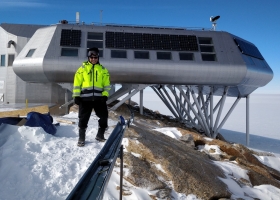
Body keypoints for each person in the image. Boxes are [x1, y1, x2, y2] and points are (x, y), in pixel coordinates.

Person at [72, 47, 111, 146]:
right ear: (88, 57)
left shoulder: (103, 70)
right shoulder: (82, 69)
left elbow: (107, 85)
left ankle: (100, 135)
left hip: (99, 99)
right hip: (85, 99)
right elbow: (77, 83)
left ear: (98, 57)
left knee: (104, 116)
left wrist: (105, 95)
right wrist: (76, 96)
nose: (93, 59)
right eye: (91, 57)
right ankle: (81, 138)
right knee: (83, 118)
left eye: (95, 57)